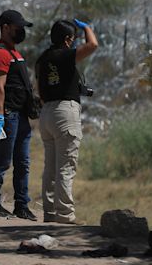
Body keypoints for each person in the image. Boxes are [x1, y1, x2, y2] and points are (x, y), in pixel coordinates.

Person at [35, 19, 98, 224]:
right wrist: (87, 27)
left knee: (50, 168)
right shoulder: (66, 54)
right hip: (65, 112)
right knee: (66, 167)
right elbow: (93, 46)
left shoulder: (42, 59)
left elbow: (41, 90)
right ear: (68, 39)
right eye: (73, 38)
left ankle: (50, 213)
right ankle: (65, 215)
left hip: (46, 113)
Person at [0, 9, 37, 221]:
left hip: (20, 117)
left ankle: (22, 206)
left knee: (23, 163)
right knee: (3, 161)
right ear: (5, 28)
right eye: (18, 27)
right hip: (7, 116)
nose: (21, 31)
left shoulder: (15, 53)